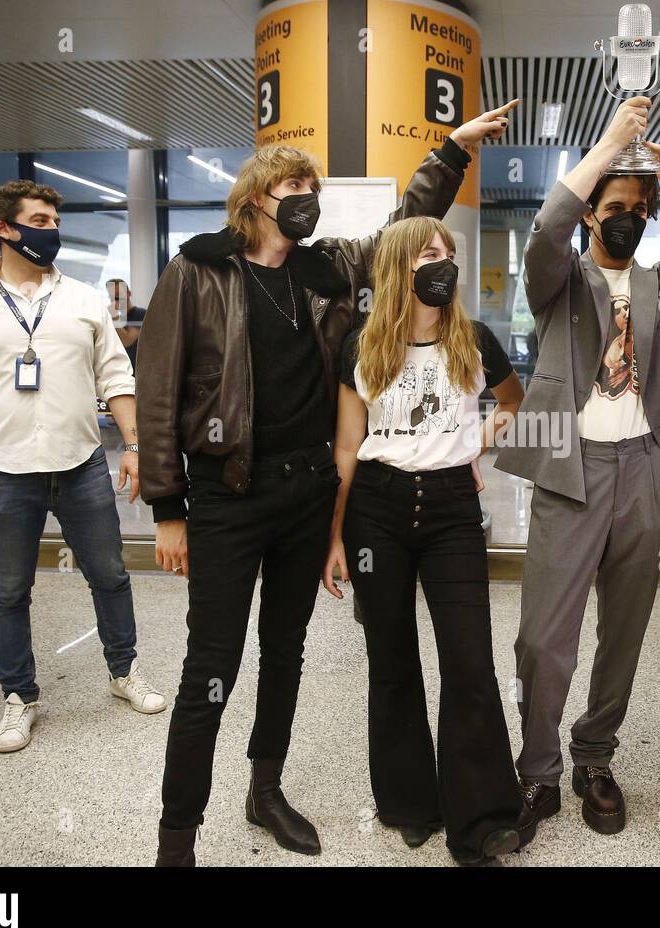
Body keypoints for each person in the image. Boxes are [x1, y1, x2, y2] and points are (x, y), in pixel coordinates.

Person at [137, 101, 516, 867]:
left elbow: (407, 230)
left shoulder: (328, 269)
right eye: (294, 186)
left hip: (305, 493)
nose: (308, 195)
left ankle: (265, 790)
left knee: (286, 651)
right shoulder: (198, 269)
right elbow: (157, 391)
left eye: (313, 183)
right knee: (209, 667)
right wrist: (166, 507)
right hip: (225, 496)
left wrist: (453, 150)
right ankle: (176, 841)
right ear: (255, 202)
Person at [496, 95, 660, 841]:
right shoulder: (559, 279)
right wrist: (608, 146)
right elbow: (546, 229)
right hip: (571, 473)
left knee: (624, 631)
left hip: (644, 471)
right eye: (615, 205)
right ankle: (535, 773)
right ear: (594, 212)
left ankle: (593, 758)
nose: (627, 216)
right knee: (544, 637)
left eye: (639, 207)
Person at [0, 179, 164, 754]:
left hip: (80, 465)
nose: (51, 230)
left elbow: (116, 378)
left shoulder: (82, 299)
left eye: (55, 221)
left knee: (110, 574)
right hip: (0, 470)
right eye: (40, 221)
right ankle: (19, 696)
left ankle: (123, 670)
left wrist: (134, 445)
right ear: (4, 229)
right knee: (7, 589)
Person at [322, 216, 526, 865]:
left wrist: (475, 443)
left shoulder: (475, 339)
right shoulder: (362, 345)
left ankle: (485, 815)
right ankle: (409, 803)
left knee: (469, 660)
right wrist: (332, 538)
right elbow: (348, 447)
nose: (441, 263)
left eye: (447, 253)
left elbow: (513, 401)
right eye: (427, 254)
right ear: (398, 268)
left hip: (450, 512)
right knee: (392, 660)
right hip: (376, 509)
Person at [105, 278, 144, 372]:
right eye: (112, 297)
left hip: (138, 373)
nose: (115, 301)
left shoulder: (140, 314)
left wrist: (114, 317)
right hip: (123, 371)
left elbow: (127, 341)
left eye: (118, 296)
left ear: (128, 293)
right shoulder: (117, 320)